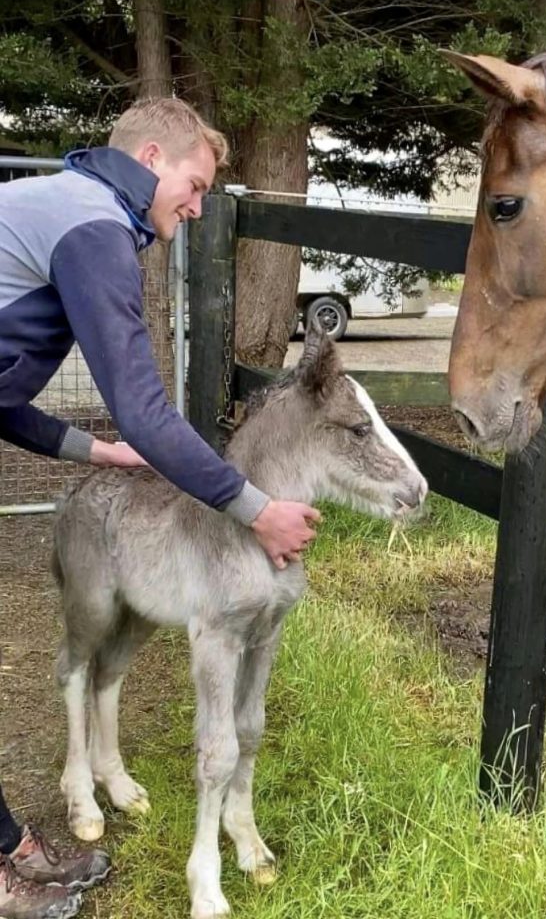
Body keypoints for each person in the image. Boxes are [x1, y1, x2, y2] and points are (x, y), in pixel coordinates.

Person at [0, 97, 320, 917]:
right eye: (196, 182)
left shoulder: (64, 212)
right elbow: (144, 405)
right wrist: (255, 509)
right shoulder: (92, 226)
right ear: (150, 157)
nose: (199, 204)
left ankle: (4, 851)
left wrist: (101, 453)